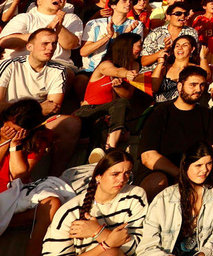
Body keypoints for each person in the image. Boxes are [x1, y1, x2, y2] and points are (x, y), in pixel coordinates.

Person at [138, 65, 213, 200]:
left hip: (198, 168)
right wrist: (180, 174)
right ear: (180, 86)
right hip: (164, 170)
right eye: (193, 85)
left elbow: (212, 148)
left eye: (202, 85)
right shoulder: (160, 112)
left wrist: (198, 170)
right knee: (158, 181)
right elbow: (148, 156)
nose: (198, 89)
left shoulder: (206, 114)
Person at [0, 28, 80, 174]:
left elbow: (53, 106)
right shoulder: (10, 65)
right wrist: (33, 109)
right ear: (29, 47)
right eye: (45, 43)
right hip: (8, 120)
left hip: (37, 122)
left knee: (72, 123)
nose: (50, 48)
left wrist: (33, 112)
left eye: (54, 44)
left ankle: (54, 176)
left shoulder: (58, 70)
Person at [41, 149, 147, 256]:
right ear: (98, 176)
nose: (122, 179)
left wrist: (98, 232)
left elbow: (139, 247)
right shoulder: (71, 211)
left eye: (127, 173)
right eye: (115, 174)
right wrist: (106, 244)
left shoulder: (135, 196)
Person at [138, 142, 213, 256]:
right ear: (185, 165)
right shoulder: (164, 199)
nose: (204, 170)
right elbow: (147, 246)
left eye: (209, 164)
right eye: (198, 165)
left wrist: (205, 252)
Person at [0, 99, 62, 256]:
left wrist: (15, 145)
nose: (8, 129)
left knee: (52, 203)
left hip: (14, 191)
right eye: (7, 125)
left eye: (15, 129)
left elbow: (19, 174)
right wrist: (3, 142)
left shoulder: (38, 139)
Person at [73, 33, 145, 151]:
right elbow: (116, 71)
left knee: (121, 105)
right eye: (139, 46)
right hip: (90, 111)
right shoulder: (105, 64)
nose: (141, 50)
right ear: (127, 47)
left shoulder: (135, 65)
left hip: (110, 114)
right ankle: (109, 147)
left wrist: (118, 87)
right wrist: (126, 73)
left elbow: (128, 96)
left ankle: (109, 146)